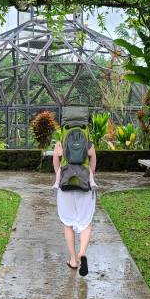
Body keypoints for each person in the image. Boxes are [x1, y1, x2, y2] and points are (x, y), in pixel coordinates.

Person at [52, 111, 97, 277]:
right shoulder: (88, 141)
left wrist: (60, 175)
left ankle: (72, 259)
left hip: (66, 184)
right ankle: (82, 252)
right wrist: (89, 173)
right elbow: (93, 159)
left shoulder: (61, 141)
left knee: (68, 224)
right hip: (84, 184)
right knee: (86, 223)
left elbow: (56, 161)